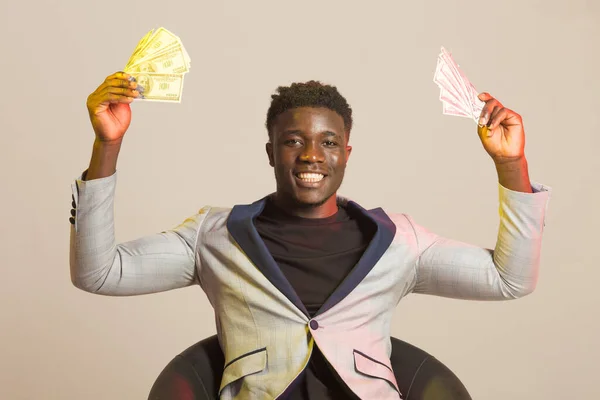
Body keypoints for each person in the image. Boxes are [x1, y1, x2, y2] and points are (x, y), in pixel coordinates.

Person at [69, 71, 551, 400]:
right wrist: (106, 145)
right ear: (271, 151)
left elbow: (508, 279)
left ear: (346, 153)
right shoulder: (214, 236)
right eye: (294, 141)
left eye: (328, 143)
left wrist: (511, 164)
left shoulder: (399, 241)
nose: (311, 156)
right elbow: (99, 273)